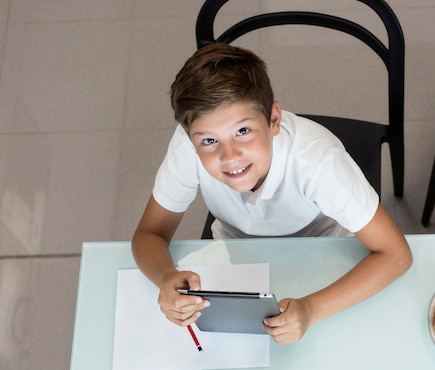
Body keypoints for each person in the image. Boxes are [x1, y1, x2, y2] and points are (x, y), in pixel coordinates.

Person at [132, 42, 412, 344]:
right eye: (210, 141)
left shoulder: (318, 163)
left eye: (242, 131)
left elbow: (396, 255)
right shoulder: (186, 147)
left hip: (323, 251)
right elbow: (149, 234)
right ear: (190, 138)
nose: (230, 156)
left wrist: (311, 309)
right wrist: (165, 277)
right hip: (237, 252)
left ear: (274, 120)